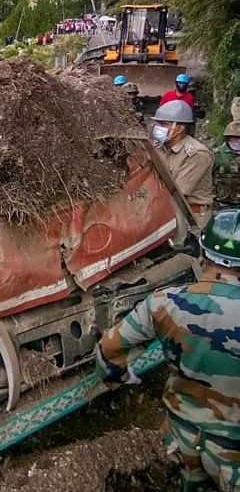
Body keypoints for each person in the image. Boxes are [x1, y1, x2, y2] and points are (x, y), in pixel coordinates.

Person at [96, 209, 240, 492]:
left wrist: (120, 379)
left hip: (180, 443)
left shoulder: (164, 302)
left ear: (202, 250)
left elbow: (108, 350)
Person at [152, 100, 213, 227]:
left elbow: (178, 193)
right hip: (167, 214)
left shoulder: (197, 154)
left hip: (192, 220)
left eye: (163, 124)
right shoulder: (158, 147)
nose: (157, 127)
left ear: (179, 129)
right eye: (157, 123)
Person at [214, 121, 240, 207]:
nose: (237, 142)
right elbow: (204, 179)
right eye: (233, 139)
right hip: (222, 204)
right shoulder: (217, 155)